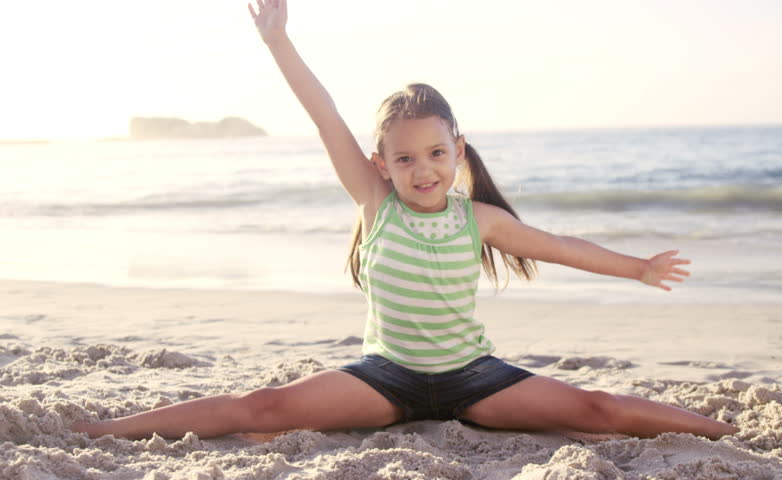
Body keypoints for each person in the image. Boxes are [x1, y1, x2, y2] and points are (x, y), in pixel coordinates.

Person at [72, 0, 738, 441]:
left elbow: (558, 245)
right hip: (383, 380)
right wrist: (278, 40)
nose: (424, 170)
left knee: (601, 411)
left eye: (437, 154)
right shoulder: (374, 203)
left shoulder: (476, 219)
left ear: (457, 148)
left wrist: (639, 268)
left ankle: (728, 433)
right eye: (406, 158)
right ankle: (102, 432)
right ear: (381, 163)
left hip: (475, 379)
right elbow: (324, 112)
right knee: (261, 409)